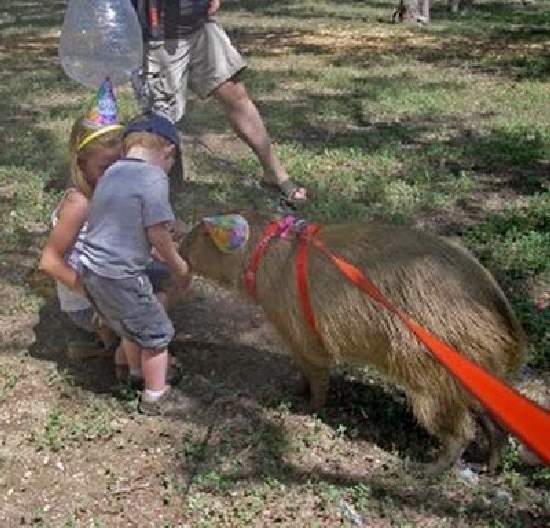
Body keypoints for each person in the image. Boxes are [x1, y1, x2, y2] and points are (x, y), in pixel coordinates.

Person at [131, 0, 307, 204]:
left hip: (199, 23)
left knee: (235, 94)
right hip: (159, 35)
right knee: (162, 122)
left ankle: (275, 175)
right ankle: (163, 200)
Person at [79, 112, 192, 415]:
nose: (169, 170)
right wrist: (178, 264)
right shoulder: (153, 177)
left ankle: (134, 374)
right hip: (119, 275)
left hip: (91, 270)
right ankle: (156, 395)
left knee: (131, 326)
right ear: (168, 151)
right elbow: (157, 232)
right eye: (172, 164)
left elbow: (118, 223)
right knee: (156, 334)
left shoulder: (113, 172)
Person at [40, 80, 124, 356]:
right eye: (104, 167)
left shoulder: (108, 187)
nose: (114, 173)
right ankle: (117, 348)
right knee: (152, 308)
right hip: (87, 303)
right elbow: (49, 261)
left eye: (119, 164)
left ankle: (118, 341)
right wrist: (93, 296)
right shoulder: (79, 203)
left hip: (109, 283)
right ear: (81, 164)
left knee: (173, 278)